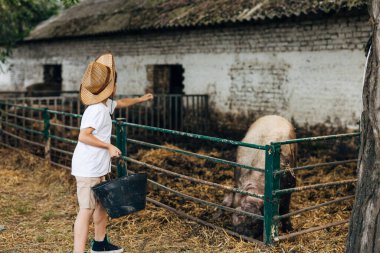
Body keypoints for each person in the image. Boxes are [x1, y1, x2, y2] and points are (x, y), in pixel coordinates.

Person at [71, 53, 153, 253]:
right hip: (88, 168)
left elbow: (122, 103)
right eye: (115, 84)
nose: (116, 87)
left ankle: (100, 244)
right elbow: (83, 136)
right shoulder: (96, 110)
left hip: (98, 166)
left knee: (101, 206)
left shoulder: (105, 104)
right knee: (86, 210)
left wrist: (140, 99)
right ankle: (77, 251)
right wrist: (108, 146)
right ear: (111, 87)